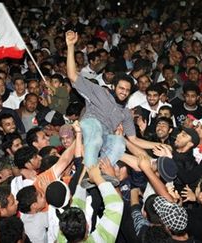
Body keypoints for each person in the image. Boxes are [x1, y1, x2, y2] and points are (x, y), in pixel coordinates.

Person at [65, 30, 161, 185]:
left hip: (105, 138)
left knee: (119, 142)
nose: (123, 92)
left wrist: (160, 145)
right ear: (113, 86)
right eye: (121, 88)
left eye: (127, 90)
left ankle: (100, 173)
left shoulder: (126, 113)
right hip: (91, 127)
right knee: (96, 131)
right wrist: (70, 46)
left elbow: (134, 139)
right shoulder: (100, 92)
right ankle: (89, 172)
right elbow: (72, 75)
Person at [57, 165, 123, 243]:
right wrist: (97, 177)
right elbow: (115, 205)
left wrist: (86, 168)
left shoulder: (62, 238)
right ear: (87, 226)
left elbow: (77, 203)